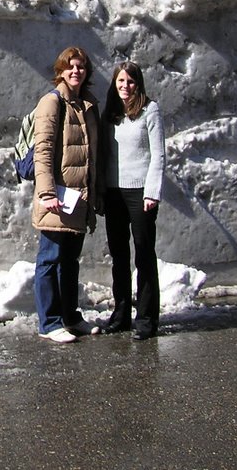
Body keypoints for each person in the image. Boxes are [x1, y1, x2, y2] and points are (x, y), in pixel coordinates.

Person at [30, 46, 101, 343]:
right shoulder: (52, 102)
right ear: (60, 71)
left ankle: (70, 316)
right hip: (56, 197)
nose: (76, 72)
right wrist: (46, 193)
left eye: (81, 67)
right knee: (50, 259)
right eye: (71, 67)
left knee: (71, 260)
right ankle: (49, 323)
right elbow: (43, 151)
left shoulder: (87, 104)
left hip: (79, 197)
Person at [99, 60, 166, 341]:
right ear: (114, 84)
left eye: (130, 81)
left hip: (140, 193)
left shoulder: (150, 110)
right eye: (121, 81)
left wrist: (152, 192)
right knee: (119, 256)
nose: (125, 87)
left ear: (138, 84)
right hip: (114, 191)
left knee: (144, 254)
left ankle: (147, 319)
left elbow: (158, 155)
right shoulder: (111, 113)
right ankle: (121, 314)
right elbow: (104, 156)